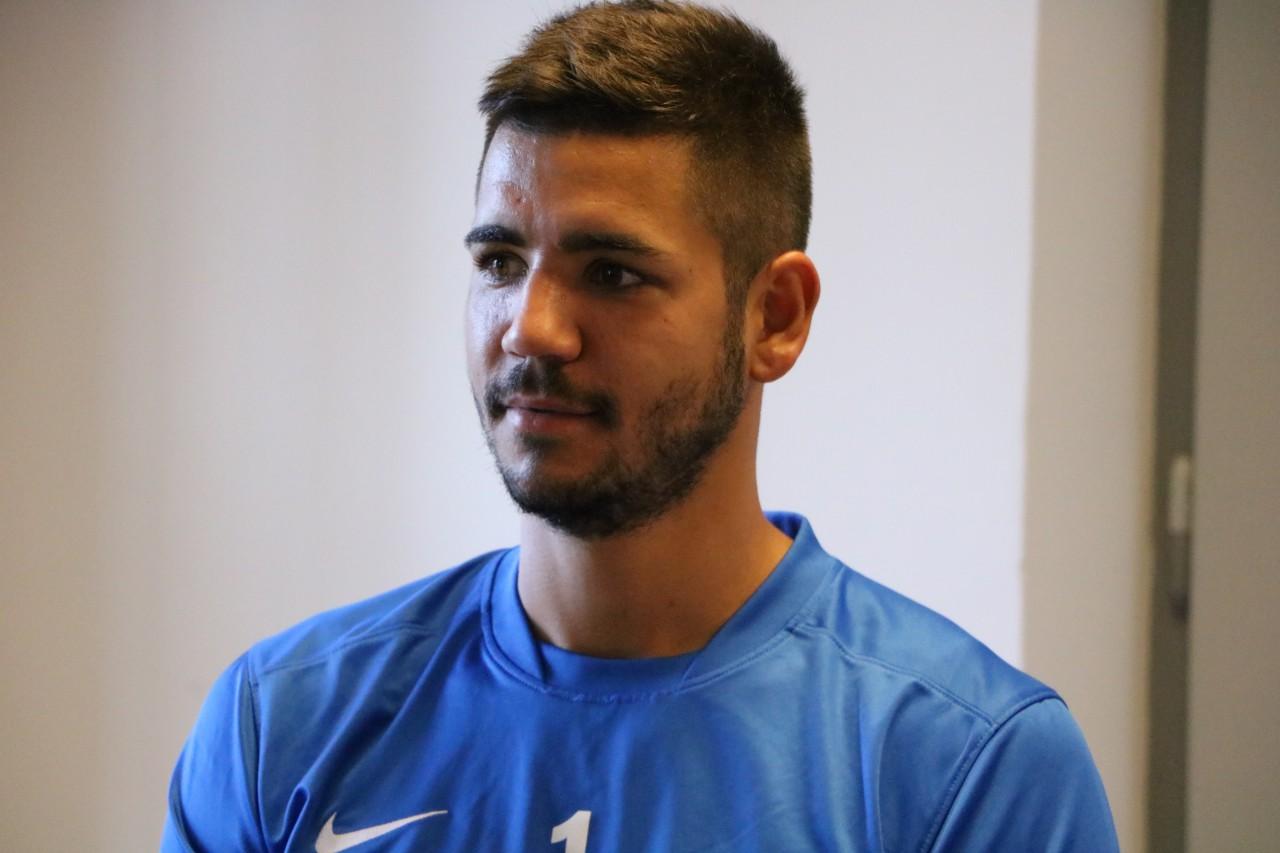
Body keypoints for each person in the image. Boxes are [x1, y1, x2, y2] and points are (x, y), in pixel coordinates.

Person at [162, 2, 1119, 851]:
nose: (531, 328)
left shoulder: (965, 765)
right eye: (500, 261)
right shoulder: (281, 723)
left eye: (613, 273)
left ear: (774, 316)